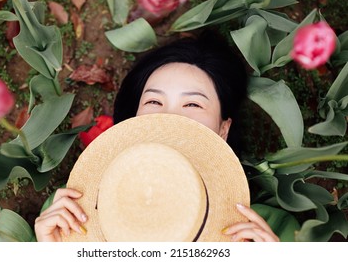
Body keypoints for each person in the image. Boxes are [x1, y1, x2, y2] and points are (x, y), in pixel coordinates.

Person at [34, 30, 279, 242]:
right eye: (154, 101)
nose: (168, 115)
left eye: (192, 104)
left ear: (223, 129)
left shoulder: (261, 235)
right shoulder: (70, 214)